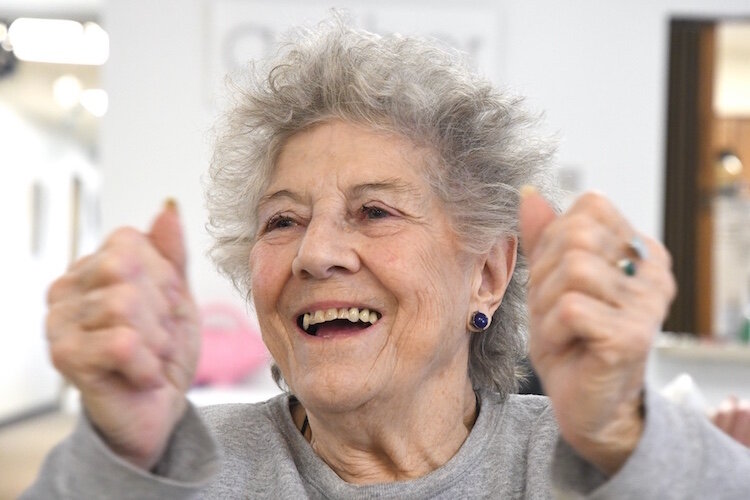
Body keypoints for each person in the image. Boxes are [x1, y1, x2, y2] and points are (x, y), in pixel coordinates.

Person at [25, 17, 750, 499]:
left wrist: (626, 434)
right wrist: (115, 454)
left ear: (489, 274)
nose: (316, 253)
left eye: (374, 211)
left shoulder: (586, 464)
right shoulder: (187, 468)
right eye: (283, 220)